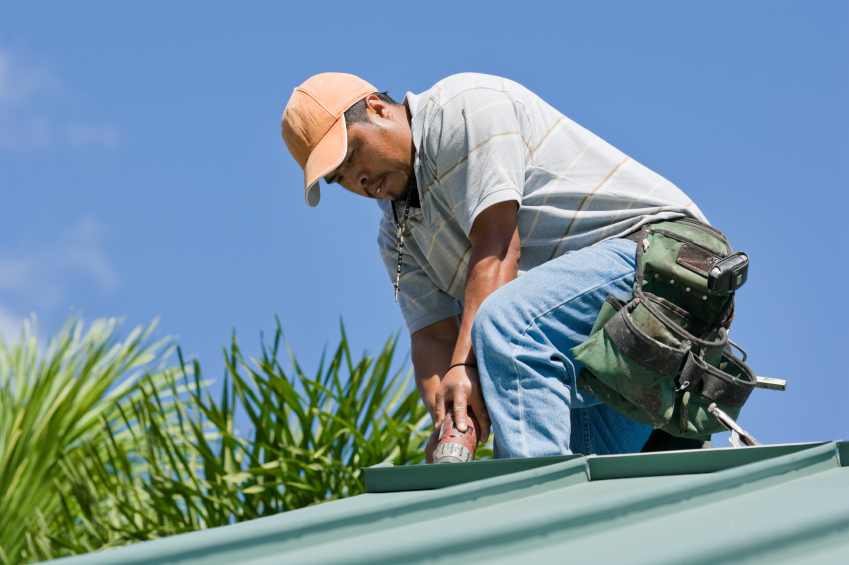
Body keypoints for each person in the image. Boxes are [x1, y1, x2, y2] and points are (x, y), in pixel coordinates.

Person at [281, 72, 706, 459]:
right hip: (618, 348)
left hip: (665, 260)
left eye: (354, 154)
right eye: (341, 178)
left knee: (502, 325)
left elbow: (497, 248)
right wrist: (451, 416)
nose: (359, 180)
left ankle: (531, 521)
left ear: (376, 107)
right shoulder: (397, 236)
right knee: (550, 440)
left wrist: (465, 368)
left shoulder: (464, 109)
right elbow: (432, 338)